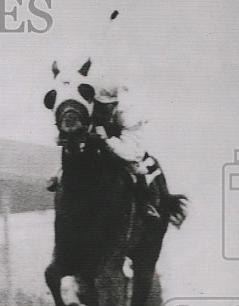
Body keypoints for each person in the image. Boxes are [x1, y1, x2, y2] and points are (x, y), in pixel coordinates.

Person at [46, 63, 164, 221]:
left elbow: (130, 152)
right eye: (99, 105)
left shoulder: (130, 113)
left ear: (115, 104)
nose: (101, 110)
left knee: (136, 166)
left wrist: (107, 140)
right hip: (98, 135)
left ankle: (145, 204)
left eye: (106, 106)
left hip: (124, 141)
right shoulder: (87, 95)